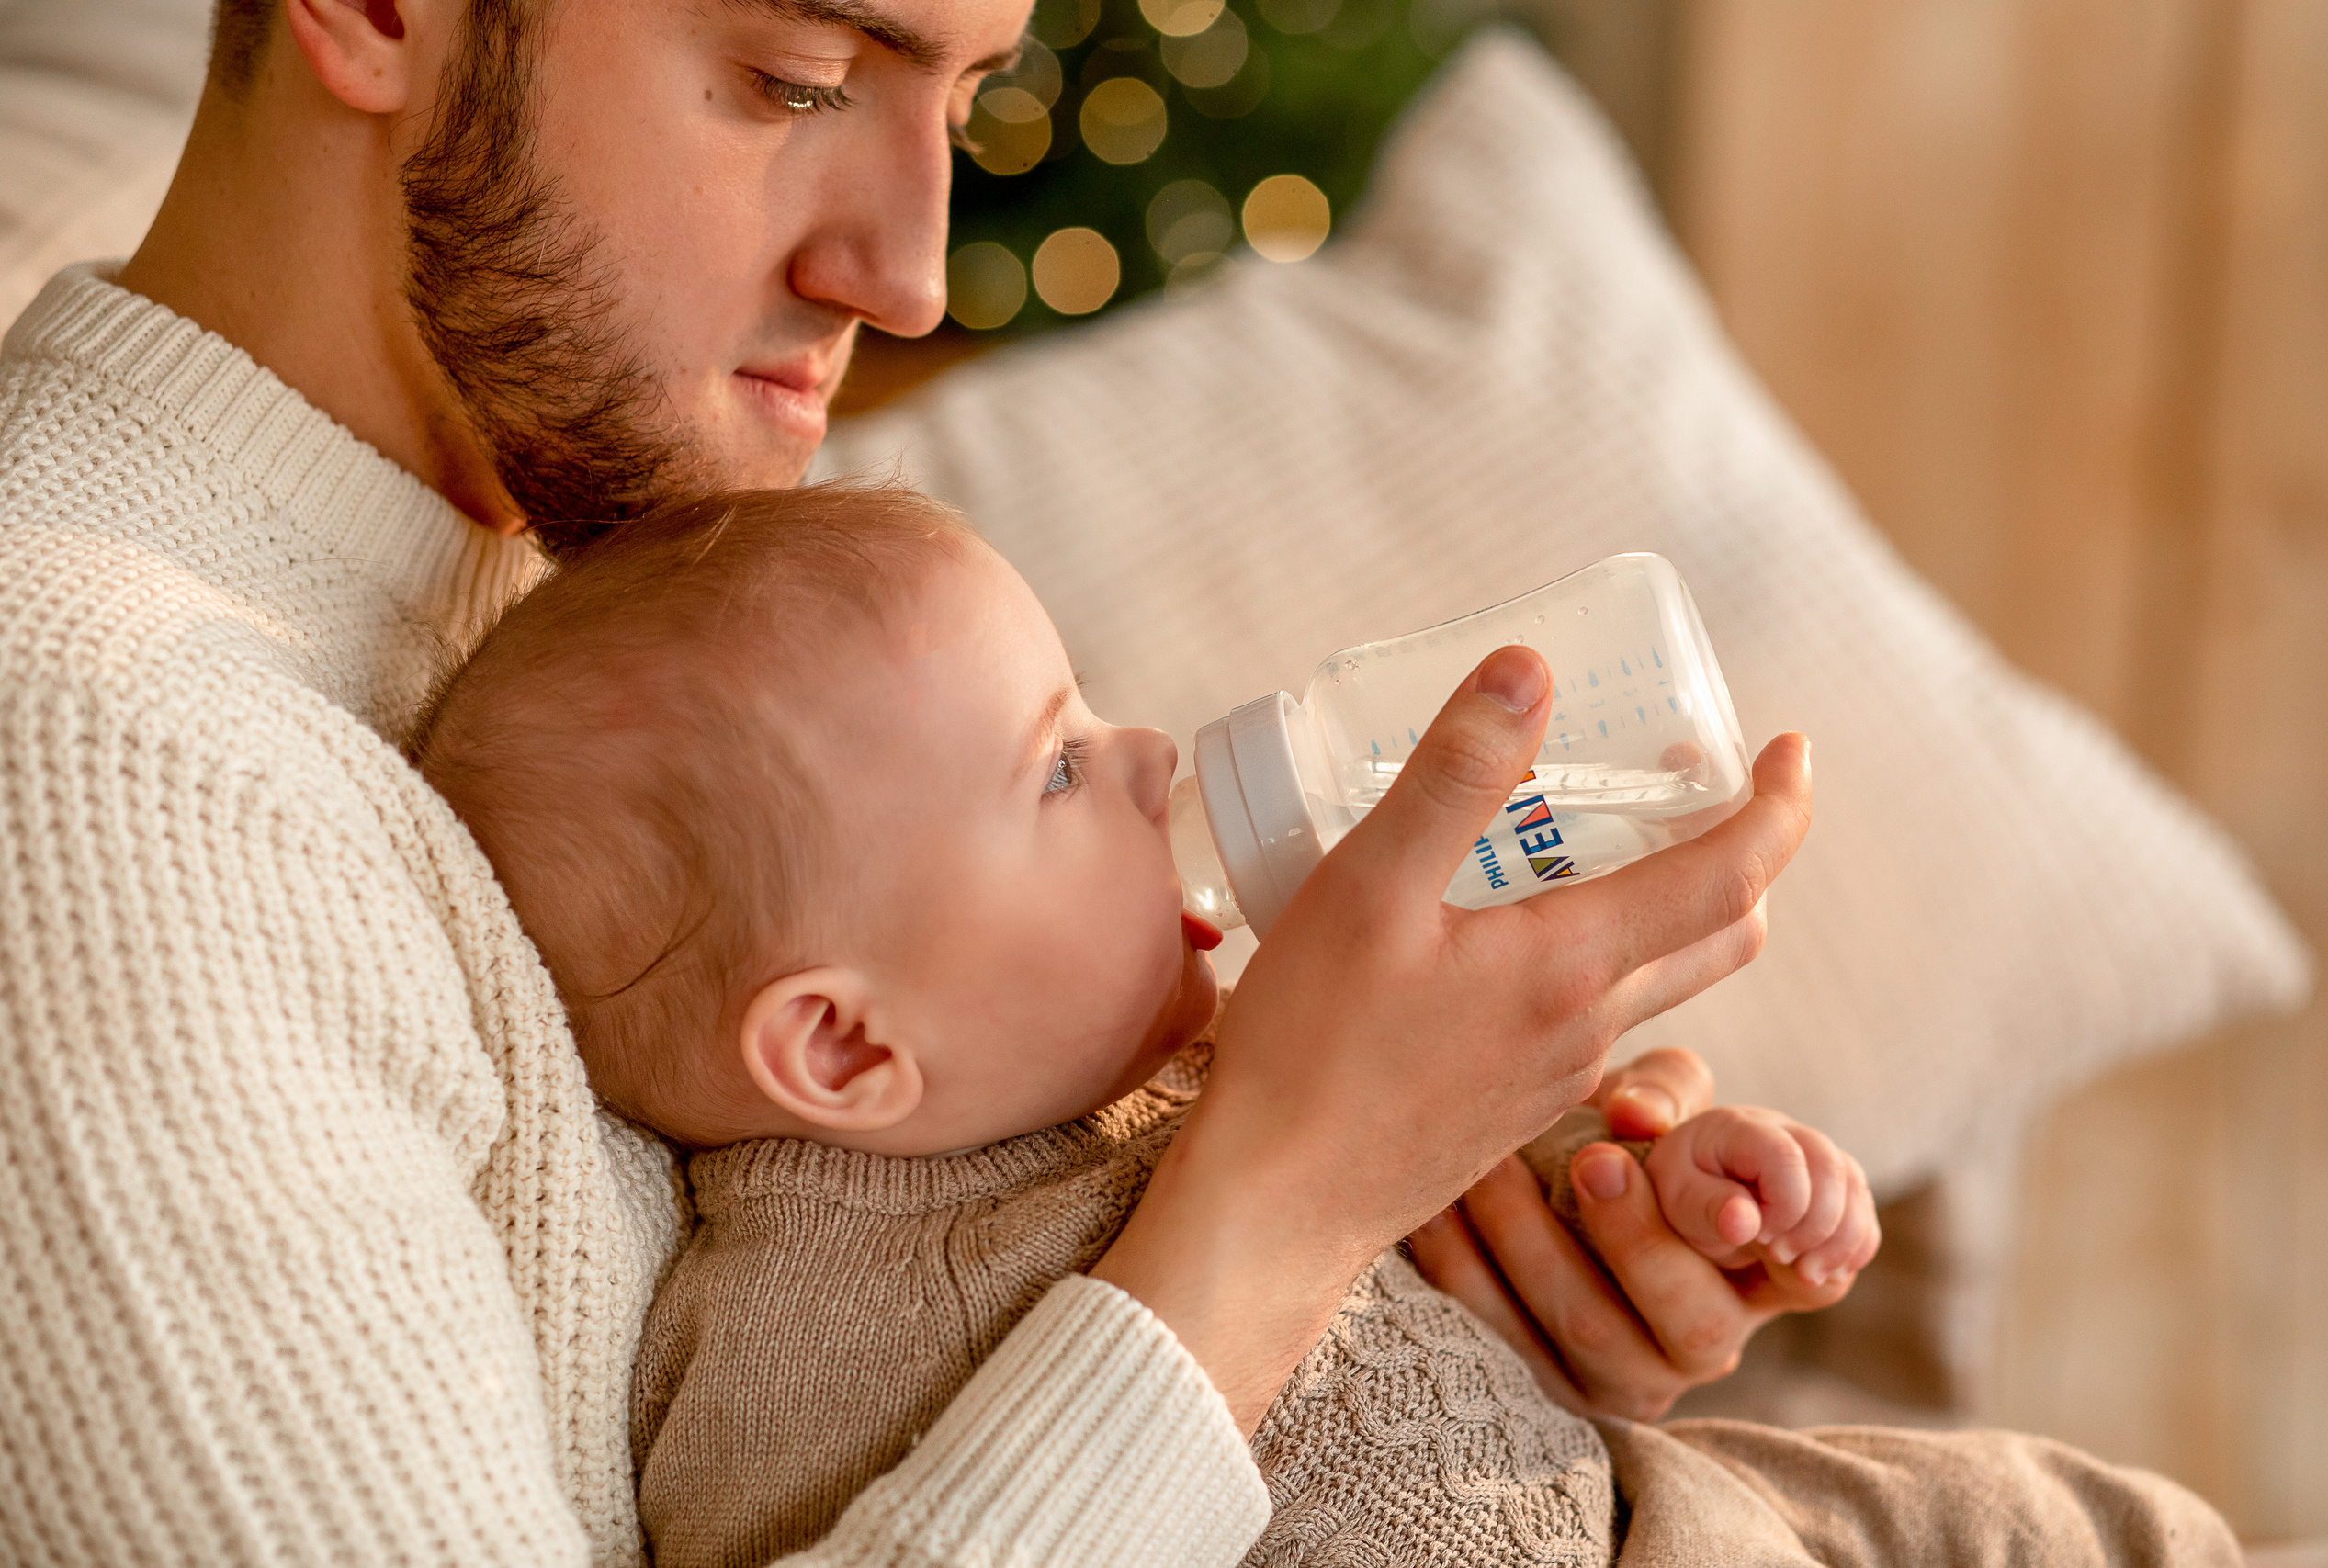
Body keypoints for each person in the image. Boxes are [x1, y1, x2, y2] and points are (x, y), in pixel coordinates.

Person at [0, 1, 1855, 1562]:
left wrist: (1449, 1235)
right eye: (800, 76)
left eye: (965, 94)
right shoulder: (97, 762)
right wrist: (1274, 1211)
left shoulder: (620, 573)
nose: (899, 269)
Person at [399, 483, 1883, 1568]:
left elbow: (1443, 1279)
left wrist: (1647, 1183)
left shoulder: (1190, 1063)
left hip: (1695, 1509)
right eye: (1055, 768)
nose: (1152, 755)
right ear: (849, 1049)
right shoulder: (802, 1368)